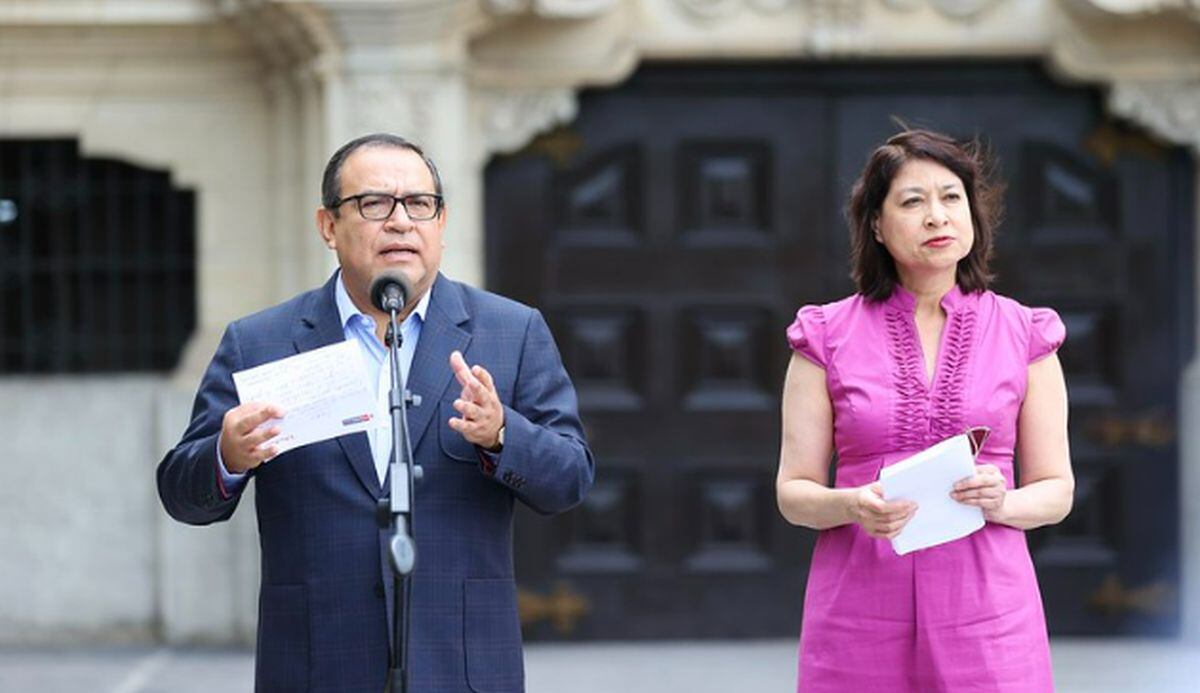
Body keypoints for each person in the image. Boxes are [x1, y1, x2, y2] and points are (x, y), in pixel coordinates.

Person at [157, 133, 595, 692]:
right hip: (318, 665)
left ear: (441, 222)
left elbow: (570, 479)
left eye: (419, 204)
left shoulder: (511, 331)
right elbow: (182, 494)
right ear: (328, 226)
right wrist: (227, 456)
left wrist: (503, 433)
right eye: (374, 204)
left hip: (461, 665)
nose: (400, 222)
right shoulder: (262, 342)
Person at [776, 129, 1074, 692]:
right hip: (859, 609)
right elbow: (793, 493)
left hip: (989, 615)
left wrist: (1003, 502)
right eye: (913, 201)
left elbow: (1057, 490)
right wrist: (850, 504)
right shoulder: (824, 335)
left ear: (972, 214)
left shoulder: (1025, 333)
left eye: (951, 197)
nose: (937, 216)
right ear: (876, 225)